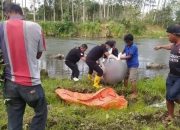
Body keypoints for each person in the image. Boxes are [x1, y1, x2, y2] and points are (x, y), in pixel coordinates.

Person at [0, 3, 47, 130]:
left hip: (10, 83)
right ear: (21, 13)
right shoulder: (35, 26)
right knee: (41, 112)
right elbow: (38, 54)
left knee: (13, 119)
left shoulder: (1, 27)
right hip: (30, 83)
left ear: (7, 13)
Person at [154, 24, 180, 123]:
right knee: (168, 97)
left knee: (171, 95)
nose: (167, 37)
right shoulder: (174, 45)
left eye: (169, 35)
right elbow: (170, 46)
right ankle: (170, 116)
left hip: (179, 77)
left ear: (175, 35)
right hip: (171, 76)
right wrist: (160, 46)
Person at [120, 34, 139, 99]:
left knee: (132, 79)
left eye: (127, 42)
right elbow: (123, 51)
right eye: (125, 42)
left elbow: (129, 56)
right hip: (128, 64)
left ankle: (135, 93)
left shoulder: (134, 47)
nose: (126, 43)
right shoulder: (126, 45)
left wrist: (121, 58)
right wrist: (119, 54)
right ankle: (125, 89)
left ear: (131, 41)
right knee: (125, 77)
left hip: (134, 65)